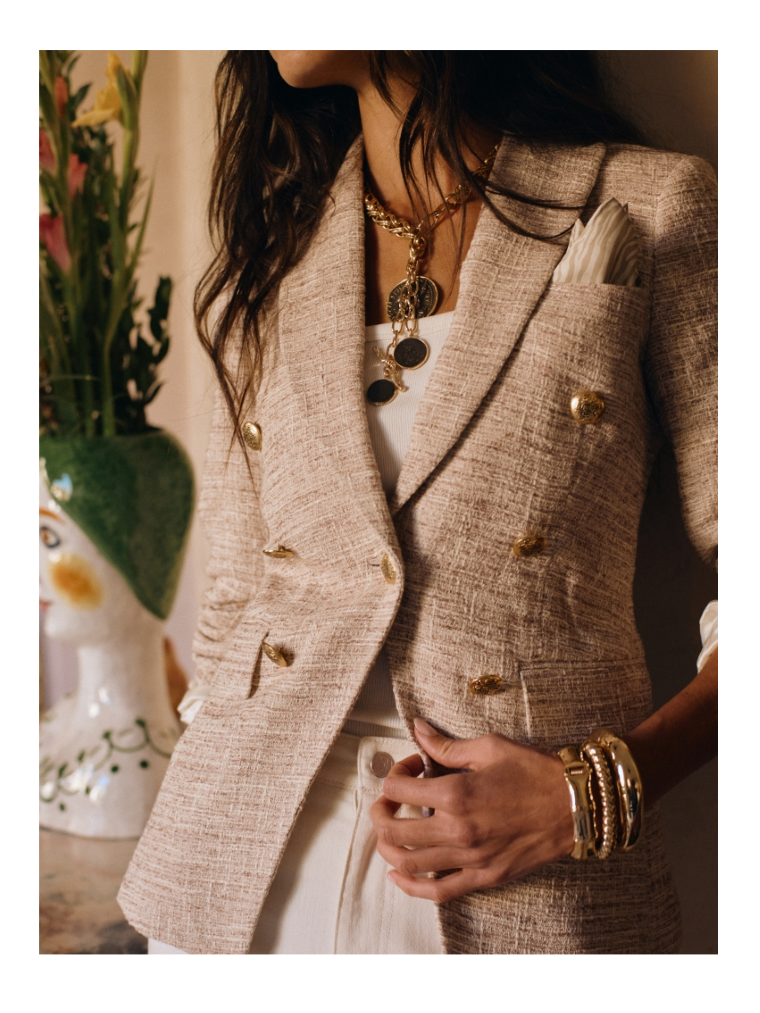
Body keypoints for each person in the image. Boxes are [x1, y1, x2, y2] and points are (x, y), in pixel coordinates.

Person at [118, 51, 717, 954]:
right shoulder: (267, 263)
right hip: (234, 885)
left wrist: (587, 792)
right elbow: (235, 607)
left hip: (529, 884)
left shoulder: (654, 201)